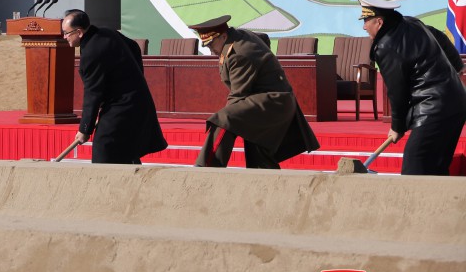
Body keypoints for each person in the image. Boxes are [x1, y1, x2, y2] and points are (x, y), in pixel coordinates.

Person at [189, 15, 320, 169]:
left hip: (273, 103)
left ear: (223, 36)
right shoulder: (236, 38)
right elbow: (264, 41)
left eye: (211, 44)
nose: (210, 50)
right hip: (265, 101)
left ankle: (206, 167)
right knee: (259, 158)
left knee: (224, 119)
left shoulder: (239, 53)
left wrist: (232, 116)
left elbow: (238, 96)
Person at [357, 0, 466, 175]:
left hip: (434, 108)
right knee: (435, 167)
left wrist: (397, 127)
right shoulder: (411, 23)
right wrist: (457, 66)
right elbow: (439, 36)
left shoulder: (386, 46)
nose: (364, 26)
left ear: (379, 22)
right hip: (457, 102)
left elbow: (397, 92)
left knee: (414, 167)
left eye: (366, 21)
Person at [64, 10, 167, 164]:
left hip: (121, 105)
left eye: (66, 33)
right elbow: (134, 47)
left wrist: (85, 130)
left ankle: (105, 185)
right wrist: (136, 78)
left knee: (104, 146)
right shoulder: (107, 33)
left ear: (79, 32)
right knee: (125, 147)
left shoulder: (91, 53)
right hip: (135, 100)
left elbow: (92, 95)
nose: (64, 37)